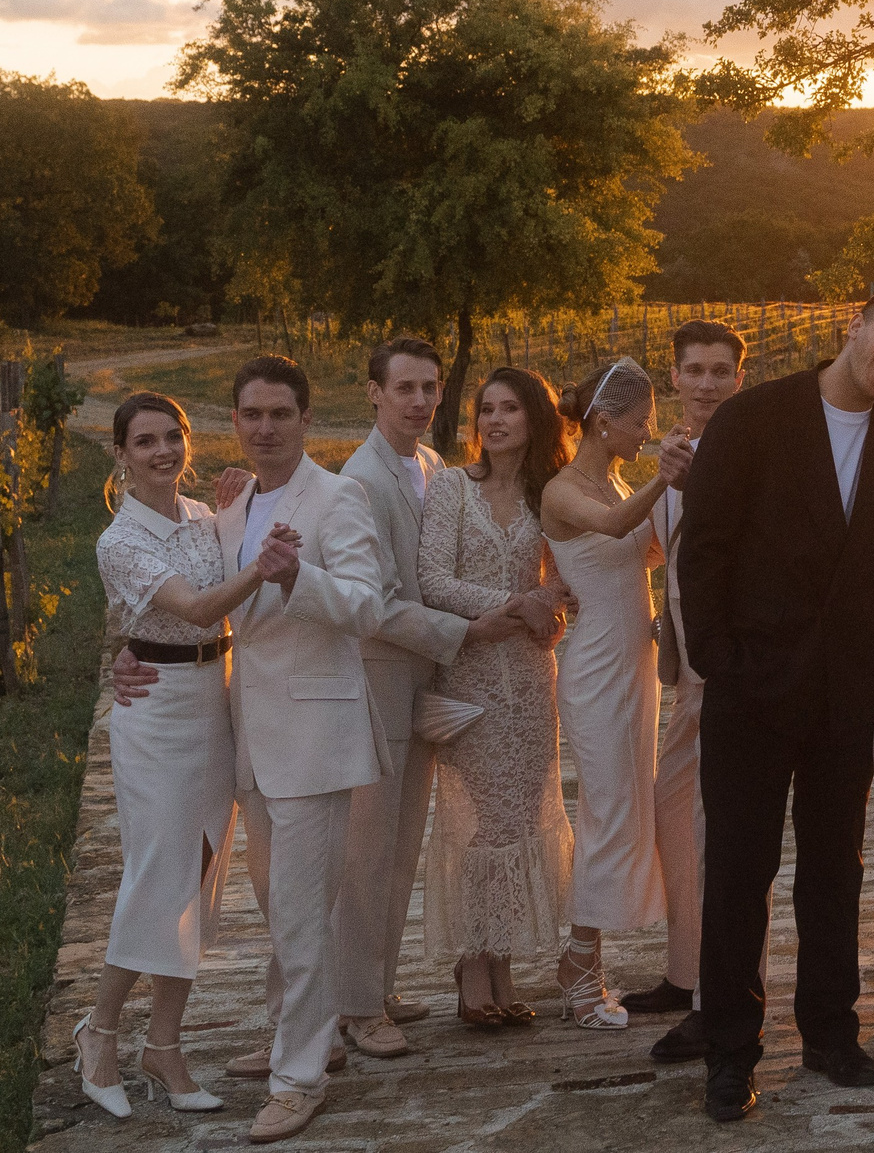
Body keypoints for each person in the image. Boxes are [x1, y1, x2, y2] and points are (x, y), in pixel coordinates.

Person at [209, 355, 520, 1146]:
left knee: (307, 909)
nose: (266, 428)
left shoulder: (337, 495)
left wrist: (294, 578)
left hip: (316, 732)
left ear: (308, 418)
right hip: (250, 730)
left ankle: (299, 1077)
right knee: (285, 906)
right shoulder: (235, 502)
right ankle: (292, 1029)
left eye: (281, 413)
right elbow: (203, 596)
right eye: (253, 415)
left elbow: (358, 601)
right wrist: (139, 655)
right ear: (236, 422)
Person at [676, 288, 874, 1122]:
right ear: (853, 328)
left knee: (834, 870)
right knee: (738, 873)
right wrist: (719, 662)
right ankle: (730, 1051)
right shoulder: (752, 417)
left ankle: (831, 1033)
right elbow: (706, 546)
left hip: (850, 691)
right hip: (751, 687)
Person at [73, 393, 293, 1121]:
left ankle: (163, 1045)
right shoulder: (119, 540)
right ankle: (99, 1033)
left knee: (200, 875)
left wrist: (244, 506)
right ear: (122, 454)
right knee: (156, 876)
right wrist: (263, 567)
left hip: (216, 699)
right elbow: (197, 608)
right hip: (157, 710)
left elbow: (240, 547)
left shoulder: (204, 517)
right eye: (145, 441)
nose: (163, 451)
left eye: (173, 437)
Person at [325, 337, 485, 1059]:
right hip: (377, 679)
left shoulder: (428, 466)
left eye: (429, 388)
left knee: (400, 845)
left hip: (421, 679)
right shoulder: (358, 481)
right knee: (367, 850)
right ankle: (355, 1008)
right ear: (374, 393)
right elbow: (379, 603)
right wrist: (470, 630)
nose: (419, 401)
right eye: (405, 389)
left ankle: (378, 984)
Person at [417, 366, 576, 1026]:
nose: (494, 421)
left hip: (531, 683)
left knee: (517, 822)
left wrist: (552, 608)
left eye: (510, 409)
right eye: (487, 410)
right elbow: (432, 580)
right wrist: (517, 603)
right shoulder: (454, 487)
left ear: (534, 418)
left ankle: (502, 960)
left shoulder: (551, 496)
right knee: (475, 824)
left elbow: (565, 585)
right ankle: (471, 968)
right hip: (473, 675)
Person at [540, 357, 694, 1029]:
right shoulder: (564, 489)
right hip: (597, 666)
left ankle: (587, 953)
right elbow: (609, 530)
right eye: (639, 424)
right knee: (605, 806)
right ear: (603, 422)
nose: (646, 434)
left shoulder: (620, 482)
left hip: (638, 663)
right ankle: (578, 970)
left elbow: (650, 548)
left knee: (630, 803)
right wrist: (666, 479)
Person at [624, 319, 748, 1064]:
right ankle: (685, 969)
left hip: (730, 672)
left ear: (739, 377)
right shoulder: (670, 455)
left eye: (720, 371)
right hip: (685, 671)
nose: (706, 383)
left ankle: (720, 1002)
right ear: (674, 378)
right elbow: (654, 552)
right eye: (694, 370)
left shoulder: (749, 448)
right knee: (674, 815)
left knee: (720, 838)